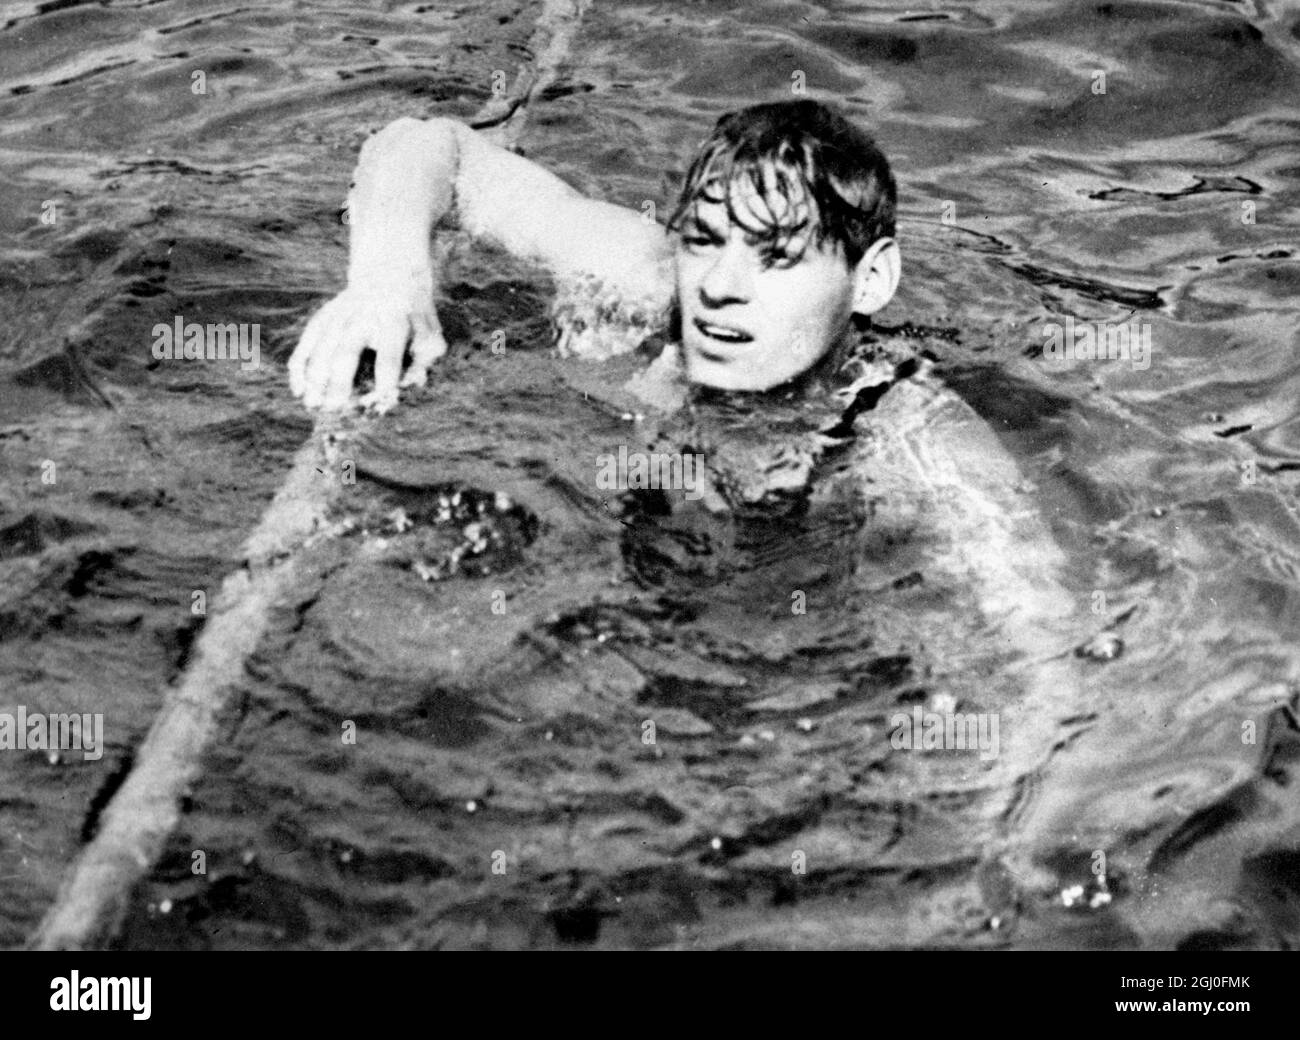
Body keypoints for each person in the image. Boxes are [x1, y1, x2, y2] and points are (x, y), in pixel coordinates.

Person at [288, 99, 1083, 805]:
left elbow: (1043, 647)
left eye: (775, 256)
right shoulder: (641, 281)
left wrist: (1010, 803)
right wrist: (390, 280)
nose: (721, 285)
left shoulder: (911, 430)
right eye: (704, 242)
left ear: (871, 281)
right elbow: (427, 146)